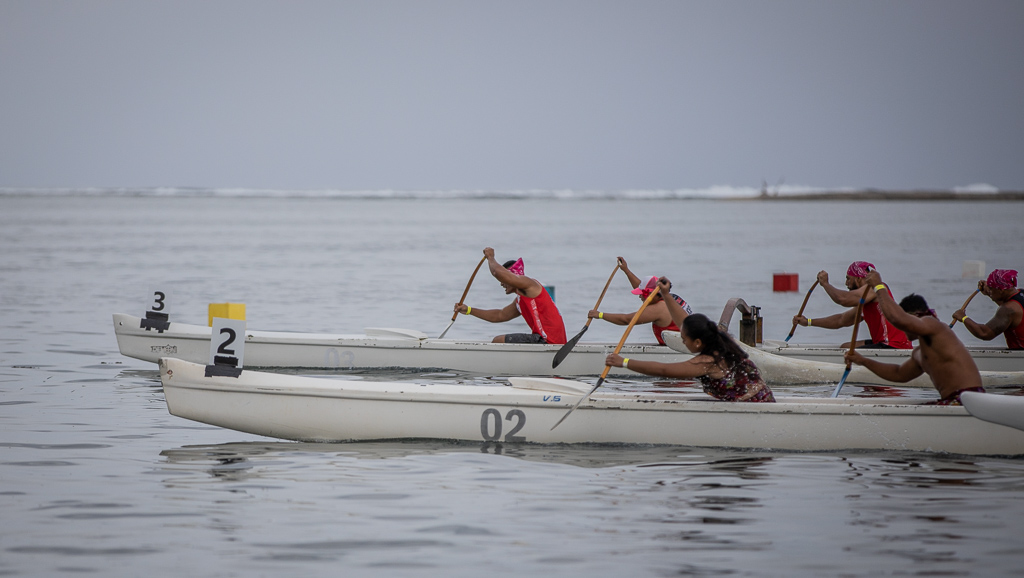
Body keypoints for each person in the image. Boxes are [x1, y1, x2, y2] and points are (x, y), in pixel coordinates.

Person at [845, 270, 984, 405]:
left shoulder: (932, 324)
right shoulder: (920, 353)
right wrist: (862, 360)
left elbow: (896, 318)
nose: (902, 329)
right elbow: (898, 374)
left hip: (970, 400)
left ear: (916, 315)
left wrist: (878, 286)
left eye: (906, 320)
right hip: (953, 401)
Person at [605, 306, 775, 403]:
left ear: (698, 342)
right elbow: (684, 321)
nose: (683, 342)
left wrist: (624, 362)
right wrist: (665, 294)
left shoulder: (707, 361)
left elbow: (664, 371)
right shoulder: (721, 342)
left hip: (755, 409)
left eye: (684, 339)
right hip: (764, 400)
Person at [453, 247, 567, 344]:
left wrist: (491, 257)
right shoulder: (520, 300)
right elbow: (499, 315)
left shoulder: (529, 285)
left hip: (549, 341)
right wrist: (468, 310)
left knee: (498, 341)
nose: (501, 283)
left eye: (504, 279)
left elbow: (497, 273)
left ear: (513, 277)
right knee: (499, 340)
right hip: (548, 341)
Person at [792, 261, 912, 349]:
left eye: (848, 279)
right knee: (845, 347)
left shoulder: (874, 288)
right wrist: (808, 322)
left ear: (859, 279)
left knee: (847, 351)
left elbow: (842, 299)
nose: (846, 283)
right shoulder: (865, 302)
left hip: (894, 346)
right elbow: (841, 320)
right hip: (884, 343)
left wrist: (826, 284)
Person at [587, 257, 693, 345]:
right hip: (689, 344)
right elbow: (642, 287)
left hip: (682, 351)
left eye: (642, 294)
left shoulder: (659, 309)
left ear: (651, 294)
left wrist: (600, 315)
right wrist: (626, 270)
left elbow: (626, 320)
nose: (640, 297)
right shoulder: (668, 297)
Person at [953, 269, 1023, 350]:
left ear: (1001, 290)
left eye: (991, 289)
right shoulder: (1021, 293)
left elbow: (984, 333)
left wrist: (963, 318)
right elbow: (1009, 306)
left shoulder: (1008, 310)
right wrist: (989, 293)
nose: (989, 291)